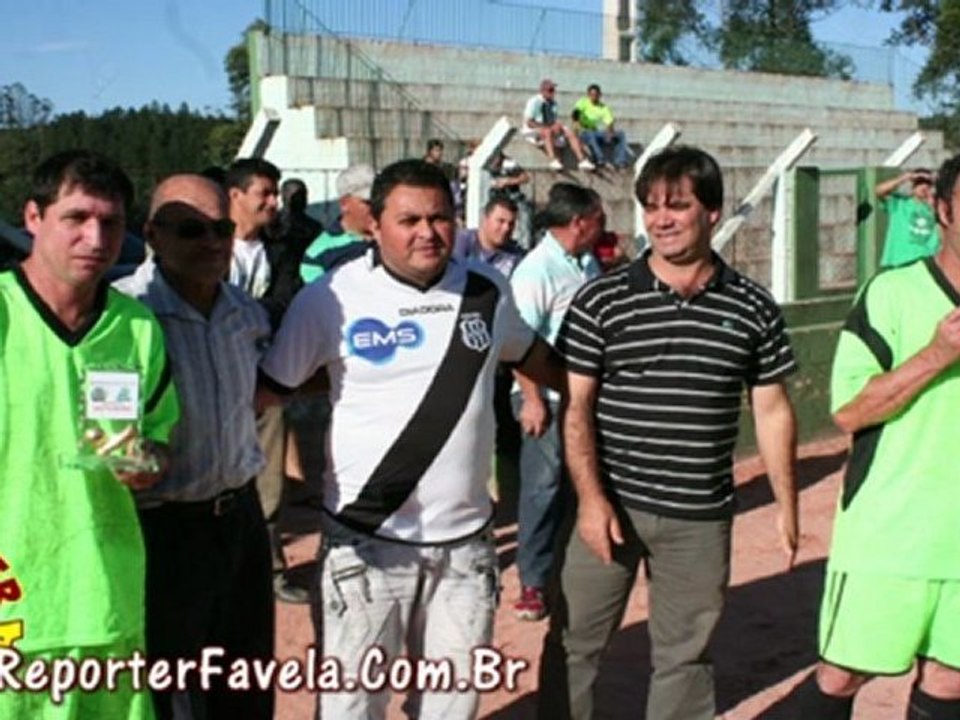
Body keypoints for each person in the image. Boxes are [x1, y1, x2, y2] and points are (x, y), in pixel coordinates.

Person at [258, 159, 564, 720]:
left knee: (452, 706)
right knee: (353, 706)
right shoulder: (330, 298)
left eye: (440, 217)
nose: (427, 231)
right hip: (366, 542)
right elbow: (272, 387)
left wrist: (601, 390)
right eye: (409, 220)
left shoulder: (487, 290)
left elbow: (531, 354)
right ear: (374, 224)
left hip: (467, 549)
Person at [539, 145, 799, 720]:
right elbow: (577, 408)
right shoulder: (601, 299)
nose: (661, 219)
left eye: (677, 206)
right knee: (573, 645)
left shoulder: (753, 306)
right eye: (651, 207)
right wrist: (589, 500)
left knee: (685, 657)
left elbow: (773, 406)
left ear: (711, 212)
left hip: (699, 517)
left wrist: (786, 502)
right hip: (609, 506)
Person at [0, 150, 179, 718]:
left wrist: (143, 463)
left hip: (105, 594)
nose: (95, 237)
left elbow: (159, 446)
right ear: (33, 218)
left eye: (111, 222)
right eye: (76, 218)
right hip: (14, 603)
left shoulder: (136, 327)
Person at [796, 154, 960, 720]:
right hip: (890, 532)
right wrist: (936, 356)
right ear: (941, 209)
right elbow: (848, 411)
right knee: (843, 674)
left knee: (951, 680)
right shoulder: (891, 293)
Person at [115, 174, 274, 719]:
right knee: (168, 687)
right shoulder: (123, 317)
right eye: (191, 229)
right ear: (153, 234)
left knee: (246, 679)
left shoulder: (244, 312)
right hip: (165, 532)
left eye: (221, 228)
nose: (211, 241)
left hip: (241, 521)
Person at [509, 183, 603, 621]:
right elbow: (519, 344)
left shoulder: (585, 263)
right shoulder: (536, 271)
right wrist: (532, 401)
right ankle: (531, 582)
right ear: (579, 223)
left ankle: (560, 574)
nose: (602, 227)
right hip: (544, 395)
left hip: (578, 394)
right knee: (542, 489)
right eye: (597, 219)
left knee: (573, 485)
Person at [226, 157, 307, 603]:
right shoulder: (208, 245)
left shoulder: (279, 250)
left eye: (276, 194)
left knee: (269, 480)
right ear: (235, 196)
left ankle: (272, 569)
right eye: (265, 194)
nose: (274, 203)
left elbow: (285, 302)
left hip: (265, 380)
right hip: (213, 383)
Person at [299, 164, 375, 283]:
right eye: (368, 202)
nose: (377, 207)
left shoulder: (394, 238)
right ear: (345, 204)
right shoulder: (319, 253)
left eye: (380, 200)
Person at [522, 78, 595, 172]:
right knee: (547, 131)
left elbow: (552, 121)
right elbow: (529, 122)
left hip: (547, 128)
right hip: (532, 130)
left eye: (553, 90)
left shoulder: (553, 103)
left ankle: (582, 160)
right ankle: (553, 159)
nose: (552, 93)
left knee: (569, 131)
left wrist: (557, 127)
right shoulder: (534, 101)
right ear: (542, 91)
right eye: (550, 90)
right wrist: (548, 127)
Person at [875, 168, 938, 268]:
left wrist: (932, 203)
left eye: (926, 183)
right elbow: (879, 191)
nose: (923, 186)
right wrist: (904, 178)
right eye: (919, 183)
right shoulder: (900, 203)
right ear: (913, 186)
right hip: (899, 261)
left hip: (925, 263)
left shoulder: (936, 208)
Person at [454, 196, 525, 278]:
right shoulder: (461, 242)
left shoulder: (514, 256)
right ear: (485, 219)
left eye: (511, 223)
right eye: (501, 221)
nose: (506, 228)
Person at [572, 83, 632, 169]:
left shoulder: (603, 107)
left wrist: (610, 132)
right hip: (583, 131)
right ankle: (600, 159)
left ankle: (620, 161)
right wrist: (576, 127)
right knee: (590, 133)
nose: (594, 97)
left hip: (595, 131)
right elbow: (575, 114)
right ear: (588, 95)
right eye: (592, 95)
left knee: (621, 134)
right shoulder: (583, 102)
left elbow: (609, 122)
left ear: (600, 95)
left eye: (596, 95)